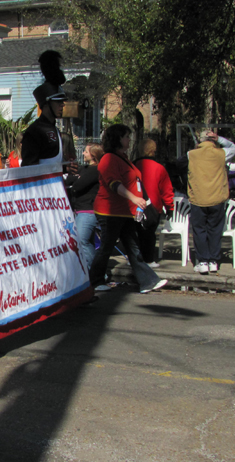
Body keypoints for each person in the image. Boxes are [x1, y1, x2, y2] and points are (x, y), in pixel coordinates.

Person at [88, 124, 168, 294]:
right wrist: (134, 198)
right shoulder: (109, 158)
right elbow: (113, 183)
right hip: (109, 211)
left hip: (123, 211)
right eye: (126, 136)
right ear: (117, 138)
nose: (129, 139)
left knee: (133, 247)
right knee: (106, 248)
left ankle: (148, 281)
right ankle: (94, 281)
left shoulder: (122, 157)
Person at [177, 130, 235, 274]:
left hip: (198, 198)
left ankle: (203, 260)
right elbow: (234, 148)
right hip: (217, 198)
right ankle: (214, 261)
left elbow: (179, 165)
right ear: (213, 141)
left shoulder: (191, 155)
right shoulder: (222, 153)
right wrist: (220, 138)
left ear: (199, 142)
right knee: (215, 230)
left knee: (199, 230)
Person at [22, 50, 67, 167]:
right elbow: (28, 169)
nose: (62, 105)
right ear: (46, 104)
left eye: (62, 101)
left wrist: (66, 168)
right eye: (58, 102)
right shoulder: (34, 132)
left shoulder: (55, 129)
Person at [65, 144, 104, 278]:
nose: (83, 154)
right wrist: (76, 178)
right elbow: (71, 180)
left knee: (82, 241)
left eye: (86, 152)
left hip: (88, 211)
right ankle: (91, 273)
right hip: (81, 210)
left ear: (93, 156)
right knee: (89, 242)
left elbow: (77, 186)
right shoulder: (86, 169)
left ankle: (96, 274)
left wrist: (76, 180)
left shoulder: (95, 170)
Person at [135, 138, 175, 266]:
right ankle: (149, 259)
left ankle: (135, 259)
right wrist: (170, 207)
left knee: (135, 234)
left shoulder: (132, 166)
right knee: (149, 234)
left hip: (133, 205)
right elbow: (166, 190)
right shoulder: (159, 168)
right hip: (153, 206)